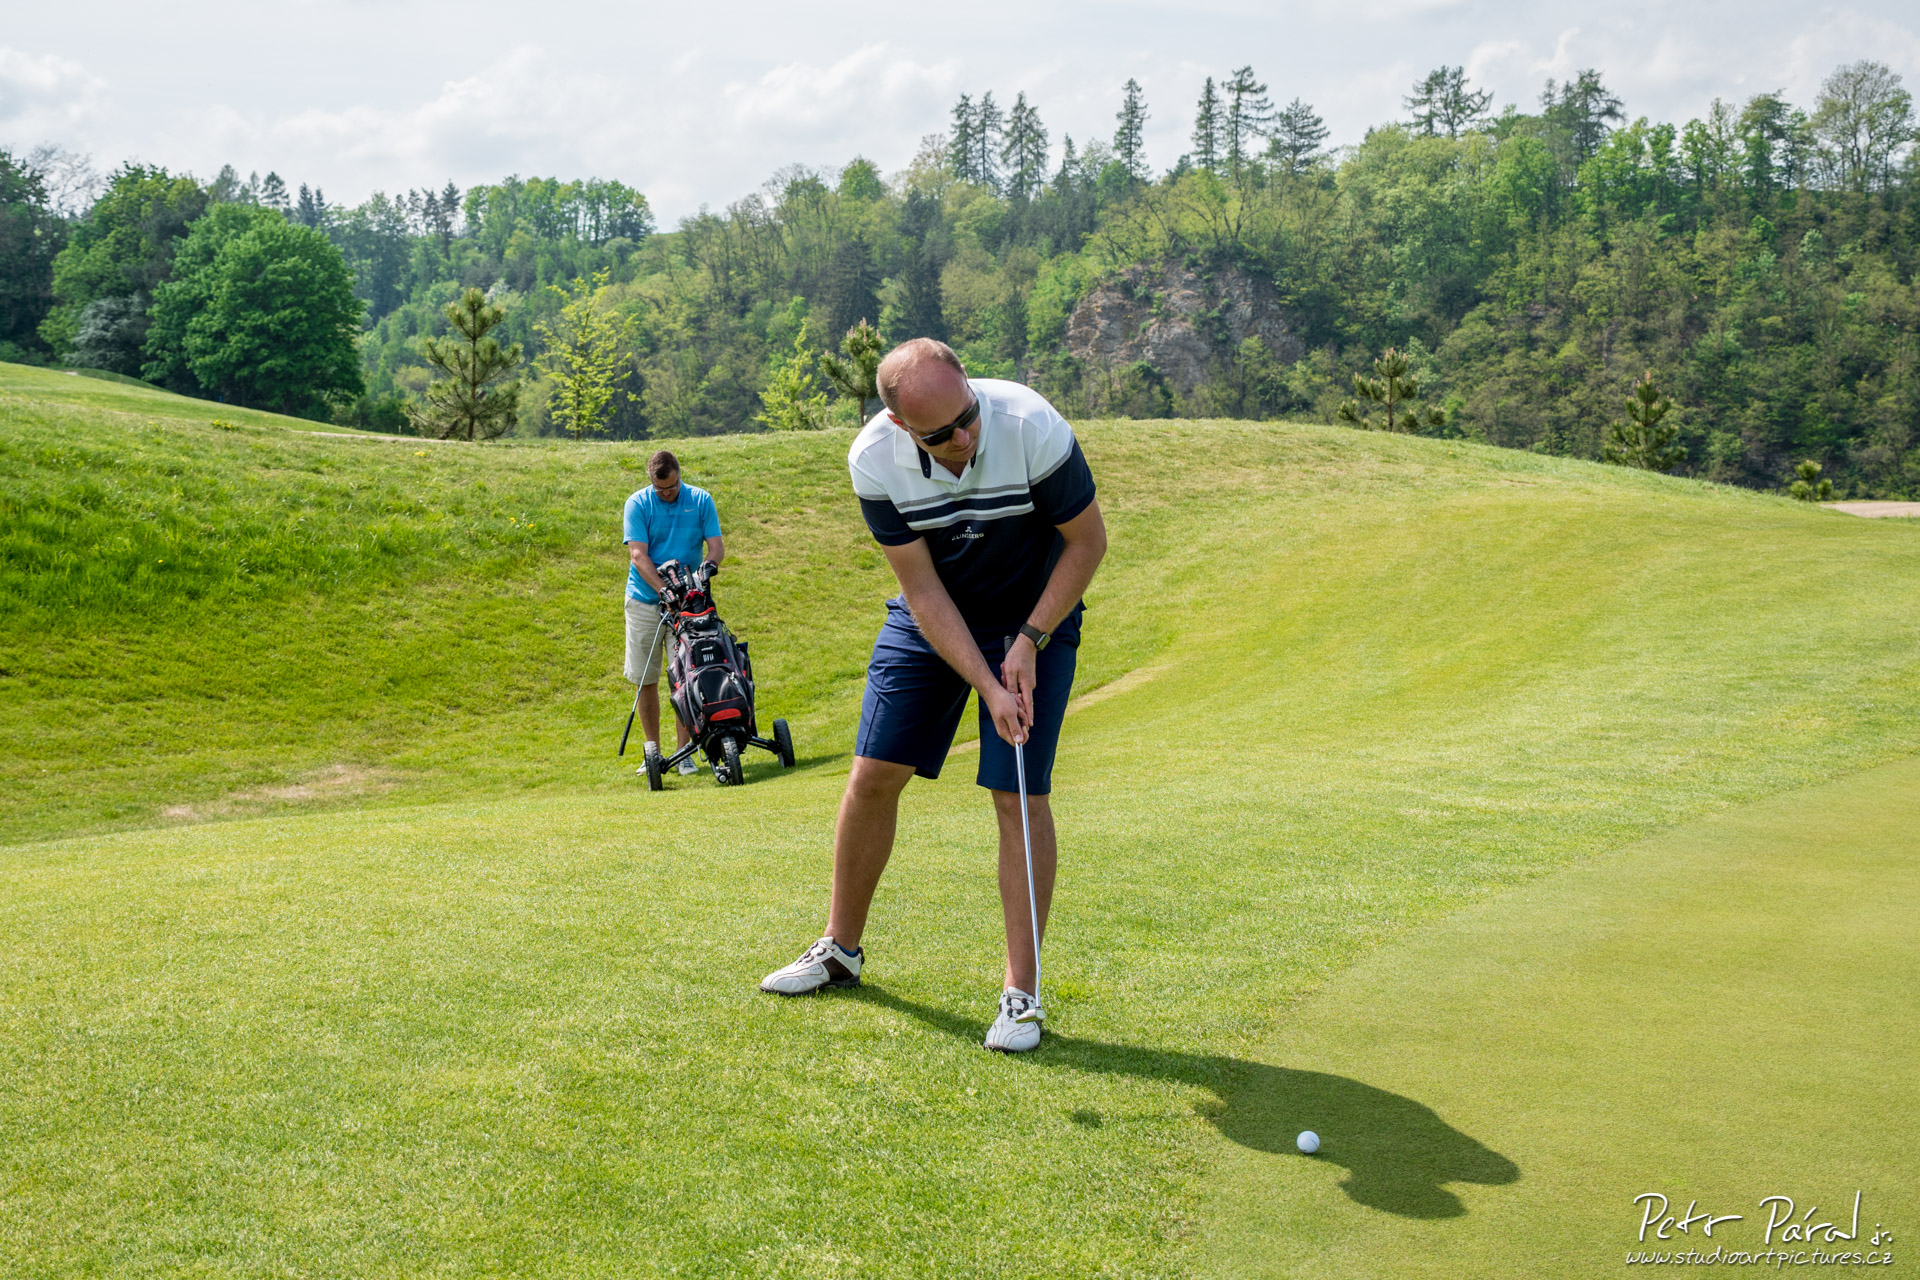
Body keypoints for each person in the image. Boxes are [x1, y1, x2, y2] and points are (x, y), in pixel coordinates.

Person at [760, 339, 1107, 1053]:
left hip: (1033, 616)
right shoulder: (872, 459)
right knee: (872, 774)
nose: (964, 438)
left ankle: (1021, 996)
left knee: (1016, 792)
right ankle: (840, 951)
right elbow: (920, 589)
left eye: (968, 416)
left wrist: (1027, 643)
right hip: (936, 616)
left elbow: (1087, 543)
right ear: (899, 425)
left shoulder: (1031, 424)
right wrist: (985, 682)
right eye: (941, 434)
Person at [623, 450, 724, 775]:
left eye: (672, 486)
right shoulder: (638, 504)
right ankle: (652, 752)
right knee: (646, 678)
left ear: (680, 476)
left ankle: (684, 753)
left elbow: (716, 546)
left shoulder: (700, 500)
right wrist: (661, 589)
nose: (667, 493)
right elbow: (638, 556)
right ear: (651, 482)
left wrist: (708, 568)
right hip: (644, 600)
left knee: (686, 676)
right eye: (660, 489)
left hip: (686, 603)